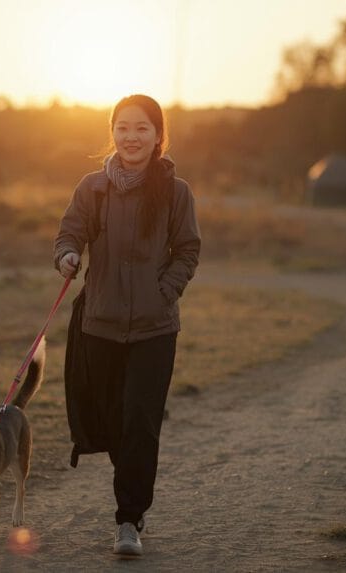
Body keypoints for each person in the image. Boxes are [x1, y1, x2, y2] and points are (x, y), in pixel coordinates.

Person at [53, 94, 201, 557]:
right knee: (113, 422)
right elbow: (69, 231)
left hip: (155, 330)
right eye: (123, 127)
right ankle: (132, 492)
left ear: (158, 135)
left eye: (142, 128)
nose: (131, 137)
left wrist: (164, 292)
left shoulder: (177, 192)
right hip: (99, 325)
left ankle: (128, 518)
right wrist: (67, 255)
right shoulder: (92, 188)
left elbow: (188, 250)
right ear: (112, 132)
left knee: (140, 422)